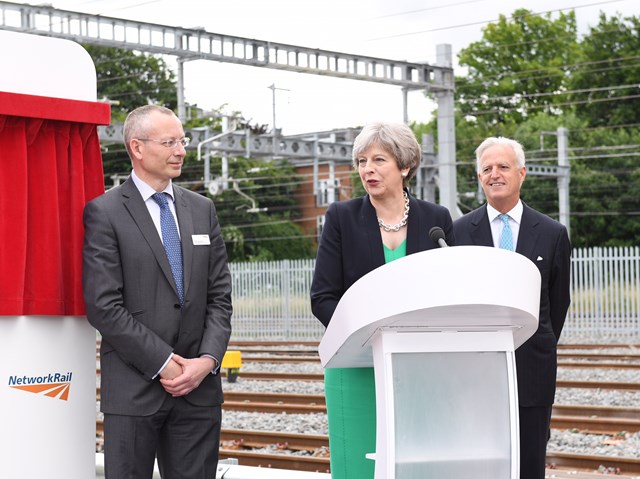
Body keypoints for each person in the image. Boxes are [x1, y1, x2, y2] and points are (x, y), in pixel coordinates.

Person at [82, 104, 233, 479]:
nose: (181, 150)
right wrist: (165, 363)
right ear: (137, 147)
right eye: (170, 142)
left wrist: (207, 361)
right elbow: (104, 306)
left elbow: (219, 298)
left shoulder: (202, 210)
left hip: (199, 391)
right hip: (135, 392)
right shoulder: (105, 213)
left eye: (182, 141)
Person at [310, 122, 455, 478]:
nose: (367, 169)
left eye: (378, 160)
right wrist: (369, 336)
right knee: (358, 468)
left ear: (404, 166)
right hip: (355, 368)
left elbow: (449, 294)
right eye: (361, 161)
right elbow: (322, 297)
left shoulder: (437, 220)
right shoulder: (341, 217)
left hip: (419, 370)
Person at [453, 136, 571, 479]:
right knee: (479, 463)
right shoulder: (458, 232)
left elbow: (557, 302)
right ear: (479, 178)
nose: (495, 174)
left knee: (529, 463)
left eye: (503, 166)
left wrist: (538, 341)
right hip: (473, 372)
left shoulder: (552, 233)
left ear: (521, 173)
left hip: (533, 368)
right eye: (487, 168)